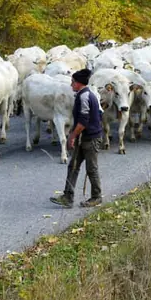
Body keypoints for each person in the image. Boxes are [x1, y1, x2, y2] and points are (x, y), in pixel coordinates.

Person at [50, 69, 103, 209]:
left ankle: (96, 197)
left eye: (72, 82)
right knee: (73, 166)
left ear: (79, 83)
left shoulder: (85, 96)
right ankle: (68, 196)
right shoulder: (82, 95)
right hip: (83, 137)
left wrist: (72, 136)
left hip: (90, 138)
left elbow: (84, 121)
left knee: (91, 169)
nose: (71, 84)